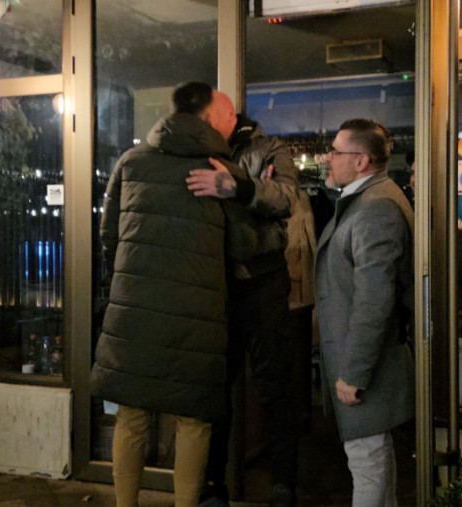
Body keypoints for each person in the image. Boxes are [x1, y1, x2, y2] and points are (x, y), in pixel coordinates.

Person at [91, 81, 236, 507]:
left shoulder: (131, 160)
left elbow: (108, 234)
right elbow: (240, 242)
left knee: (132, 414)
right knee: (192, 419)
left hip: (134, 308)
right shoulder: (219, 169)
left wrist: (131, 277)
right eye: (225, 114)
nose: (230, 122)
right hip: (197, 311)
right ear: (205, 117)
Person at [185, 93, 300, 507]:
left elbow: (286, 198)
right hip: (215, 284)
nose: (203, 122)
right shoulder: (195, 152)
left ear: (230, 115)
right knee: (215, 388)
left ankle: (283, 484)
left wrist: (240, 187)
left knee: (274, 387)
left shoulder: (269, 147)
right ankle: (213, 484)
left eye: (209, 115)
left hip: (263, 280)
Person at [314, 119, 414, 507]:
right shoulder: (369, 198)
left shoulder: (376, 208)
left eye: (336, 151)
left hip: (368, 365)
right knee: (375, 460)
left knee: (367, 463)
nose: (328, 158)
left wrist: (354, 372)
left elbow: (375, 300)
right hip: (368, 360)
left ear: (361, 161)